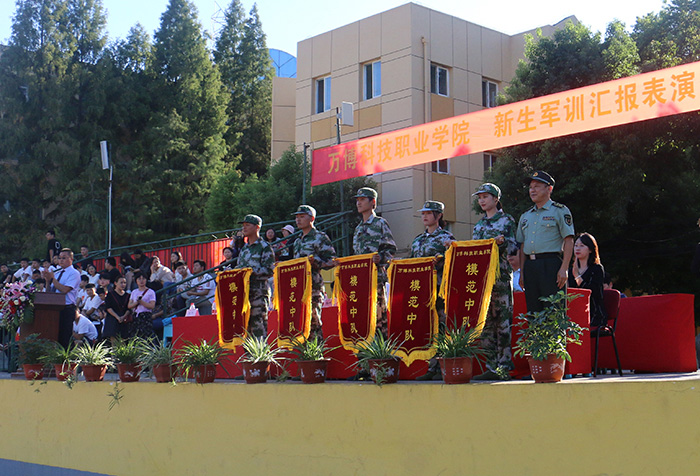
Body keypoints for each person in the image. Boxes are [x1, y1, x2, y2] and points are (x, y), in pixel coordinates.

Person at [470, 183, 518, 380]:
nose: (481, 201)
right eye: (480, 197)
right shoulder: (479, 225)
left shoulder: (507, 220)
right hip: (483, 281)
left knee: (503, 323)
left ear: (496, 199)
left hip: (501, 278)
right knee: (486, 324)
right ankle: (490, 366)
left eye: (485, 197)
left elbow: (514, 247)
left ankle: (504, 366)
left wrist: (503, 242)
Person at [409, 200, 456, 381]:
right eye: (423, 213)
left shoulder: (447, 238)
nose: (425, 216)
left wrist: (441, 259)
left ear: (439, 215)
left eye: (428, 213)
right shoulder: (417, 240)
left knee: (442, 326)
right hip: (422, 291)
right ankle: (431, 366)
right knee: (428, 327)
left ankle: (443, 365)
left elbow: (455, 260)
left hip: (440, 290)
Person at [516, 171, 575, 313]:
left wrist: (564, 268)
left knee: (553, 311)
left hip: (551, 265)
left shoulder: (559, 211)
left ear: (549, 189)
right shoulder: (525, 216)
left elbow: (569, 240)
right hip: (530, 266)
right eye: (530, 187)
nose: (532, 190)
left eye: (537, 186)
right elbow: (522, 245)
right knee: (533, 312)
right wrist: (522, 272)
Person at [352, 187, 397, 338]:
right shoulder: (358, 228)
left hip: (377, 277)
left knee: (379, 316)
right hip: (361, 279)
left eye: (362, 199)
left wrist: (381, 258)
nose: (359, 203)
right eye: (357, 200)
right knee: (364, 315)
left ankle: (380, 348)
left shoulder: (380, 223)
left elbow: (390, 249)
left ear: (373, 202)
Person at [292, 205, 337, 339]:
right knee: (301, 322)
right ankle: (305, 350)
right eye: (297, 217)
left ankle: (316, 350)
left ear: (312, 219)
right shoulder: (297, 241)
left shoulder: (320, 237)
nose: (298, 220)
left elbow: (332, 261)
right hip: (300, 287)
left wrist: (316, 261)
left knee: (314, 321)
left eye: (302, 217)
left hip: (314, 286)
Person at [235, 214, 275, 338]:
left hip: (259, 293)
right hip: (244, 293)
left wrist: (250, 271)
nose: (244, 228)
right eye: (243, 225)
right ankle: (249, 351)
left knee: (258, 326)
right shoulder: (244, 249)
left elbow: (270, 270)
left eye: (247, 225)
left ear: (257, 227)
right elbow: (239, 267)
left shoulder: (264, 247)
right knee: (245, 327)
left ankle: (260, 350)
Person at [41, 248, 82, 348]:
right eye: (59, 258)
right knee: (54, 335)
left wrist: (52, 279)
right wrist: (47, 281)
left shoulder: (74, 273)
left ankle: (67, 355)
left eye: (64, 258)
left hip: (66, 308)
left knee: (65, 337)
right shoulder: (58, 272)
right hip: (54, 308)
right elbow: (50, 291)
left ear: (71, 259)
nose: (61, 260)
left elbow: (64, 290)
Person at [568, 233, 607, 327]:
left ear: (590, 249)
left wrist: (577, 276)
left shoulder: (597, 269)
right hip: (575, 313)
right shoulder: (570, 271)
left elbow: (593, 293)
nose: (577, 249)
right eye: (576, 246)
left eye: (582, 246)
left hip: (593, 314)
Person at [128, 271, 157, 338]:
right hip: (136, 316)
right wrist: (136, 302)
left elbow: (152, 306)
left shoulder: (151, 292)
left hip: (146, 316)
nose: (141, 281)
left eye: (143, 278)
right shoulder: (134, 292)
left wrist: (142, 302)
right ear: (136, 280)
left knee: (146, 336)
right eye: (139, 279)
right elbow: (129, 305)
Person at [104, 275, 129, 344]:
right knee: (114, 341)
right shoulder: (110, 294)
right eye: (121, 282)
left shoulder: (127, 295)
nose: (123, 285)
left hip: (124, 319)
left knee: (123, 341)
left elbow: (129, 308)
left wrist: (124, 316)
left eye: (124, 283)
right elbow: (108, 307)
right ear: (115, 283)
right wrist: (117, 317)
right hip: (113, 318)